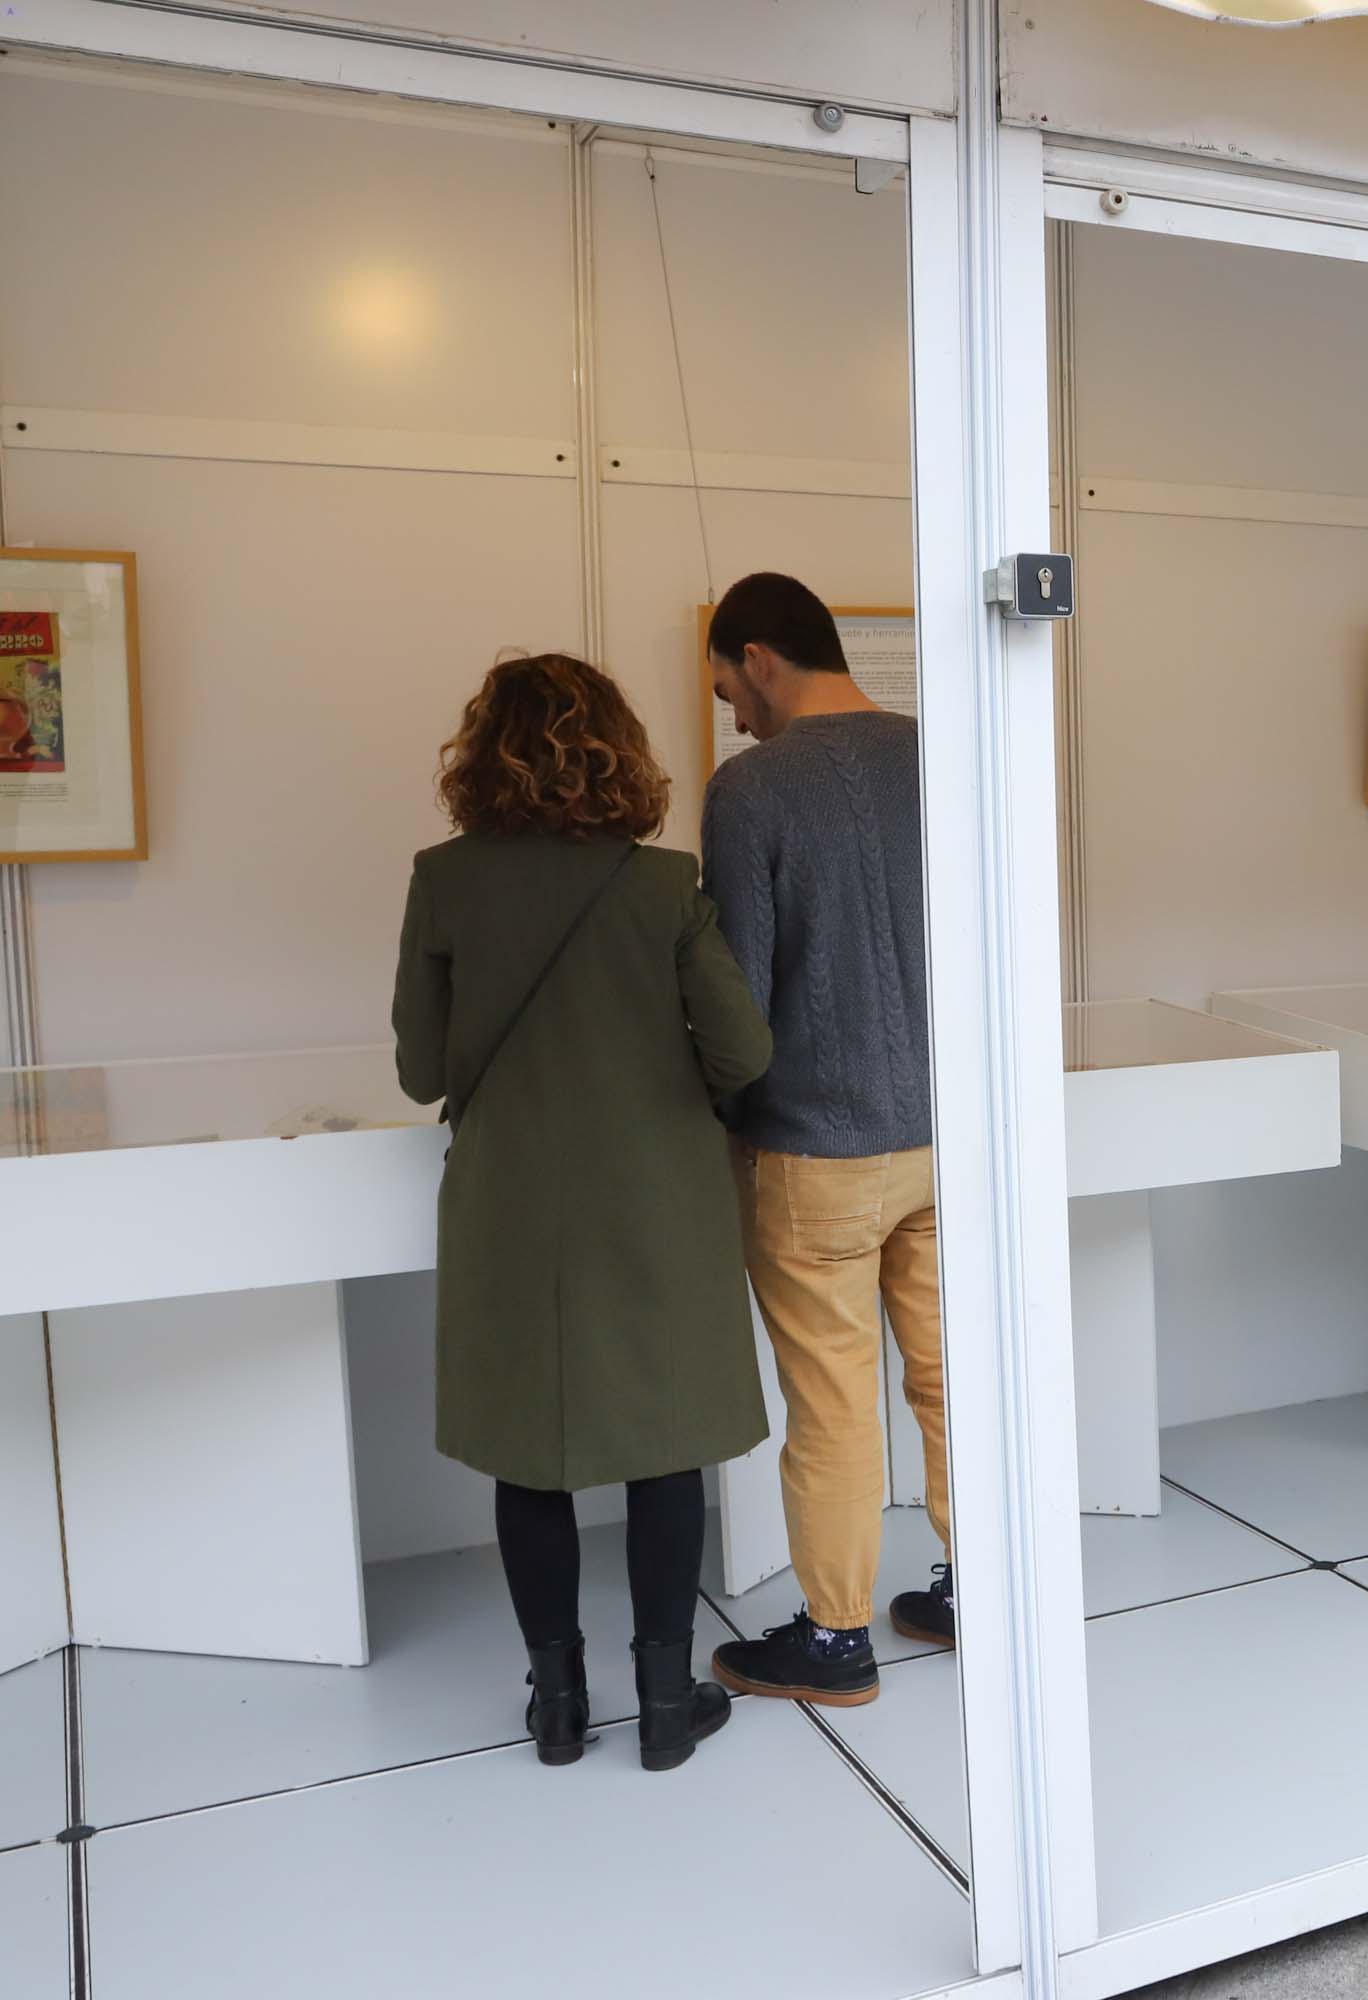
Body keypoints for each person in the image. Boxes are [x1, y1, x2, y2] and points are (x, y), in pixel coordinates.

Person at [392, 653, 772, 1773]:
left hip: (509, 1201)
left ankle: (557, 1704)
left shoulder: (443, 878)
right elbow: (745, 1048)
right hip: (656, 1197)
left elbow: (421, 1069)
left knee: (531, 1453)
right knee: (664, 1446)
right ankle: (665, 1702)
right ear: (615, 749)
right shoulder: (658, 884)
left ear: (481, 755)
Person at [700, 572, 950, 1709]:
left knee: (836, 1400)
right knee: (955, 1378)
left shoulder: (749, 789)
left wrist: (725, 1121)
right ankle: (977, 1591)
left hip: (816, 1148)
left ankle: (837, 1638)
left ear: (760, 657)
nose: (732, 715)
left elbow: (738, 998)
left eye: (727, 690)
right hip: (949, 1135)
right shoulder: (939, 753)